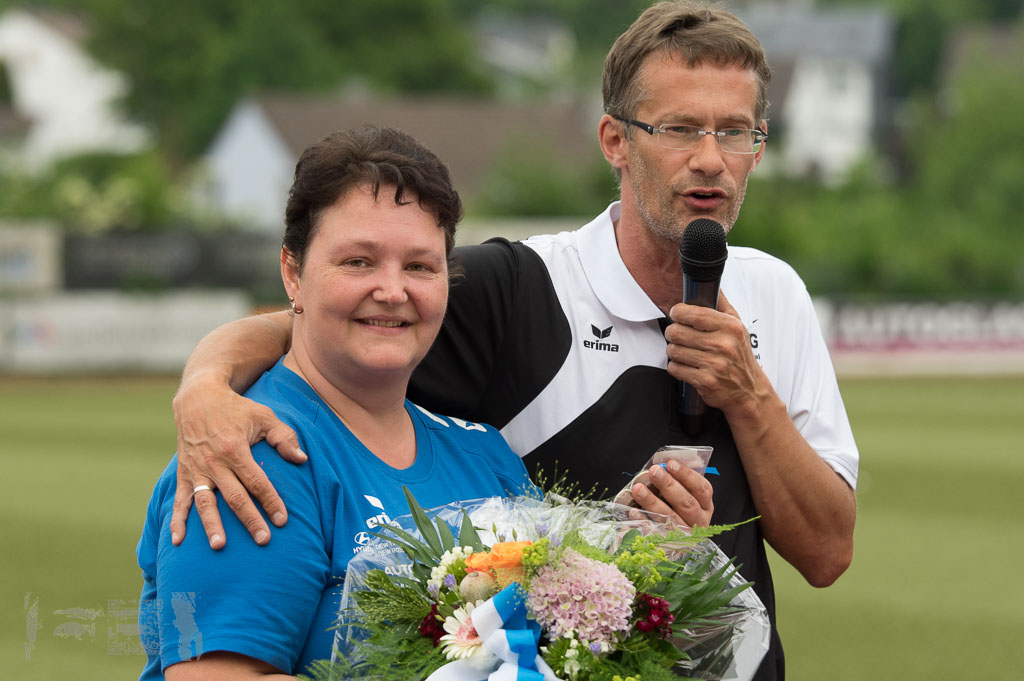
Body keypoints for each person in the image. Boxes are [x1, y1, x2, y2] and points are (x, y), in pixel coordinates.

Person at [167, 3, 858, 679]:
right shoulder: (519, 288)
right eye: (680, 128)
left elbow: (827, 553)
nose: (710, 159)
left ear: (759, 146)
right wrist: (205, 386)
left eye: (735, 132)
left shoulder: (777, 294)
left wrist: (745, 393)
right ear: (615, 140)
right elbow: (341, 319)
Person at [138, 127, 539, 679]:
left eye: (420, 266)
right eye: (358, 261)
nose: (393, 290)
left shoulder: (485, 453)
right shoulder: (252, 456)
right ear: (292, 273)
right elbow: (217, 676)